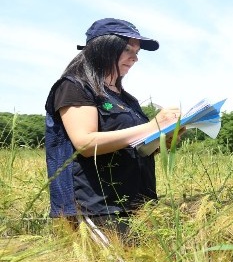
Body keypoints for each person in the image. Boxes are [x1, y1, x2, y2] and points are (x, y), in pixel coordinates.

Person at [45, 18, 182, 243]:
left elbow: (134, 146)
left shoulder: (126, 99)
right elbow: (86, 144)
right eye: (127, 50)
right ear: (103, 48)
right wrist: (151, 126)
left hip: (137, 202)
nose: (135, 58)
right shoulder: (74, 86)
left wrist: (162, 140)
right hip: (98, 206)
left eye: (137, 52)